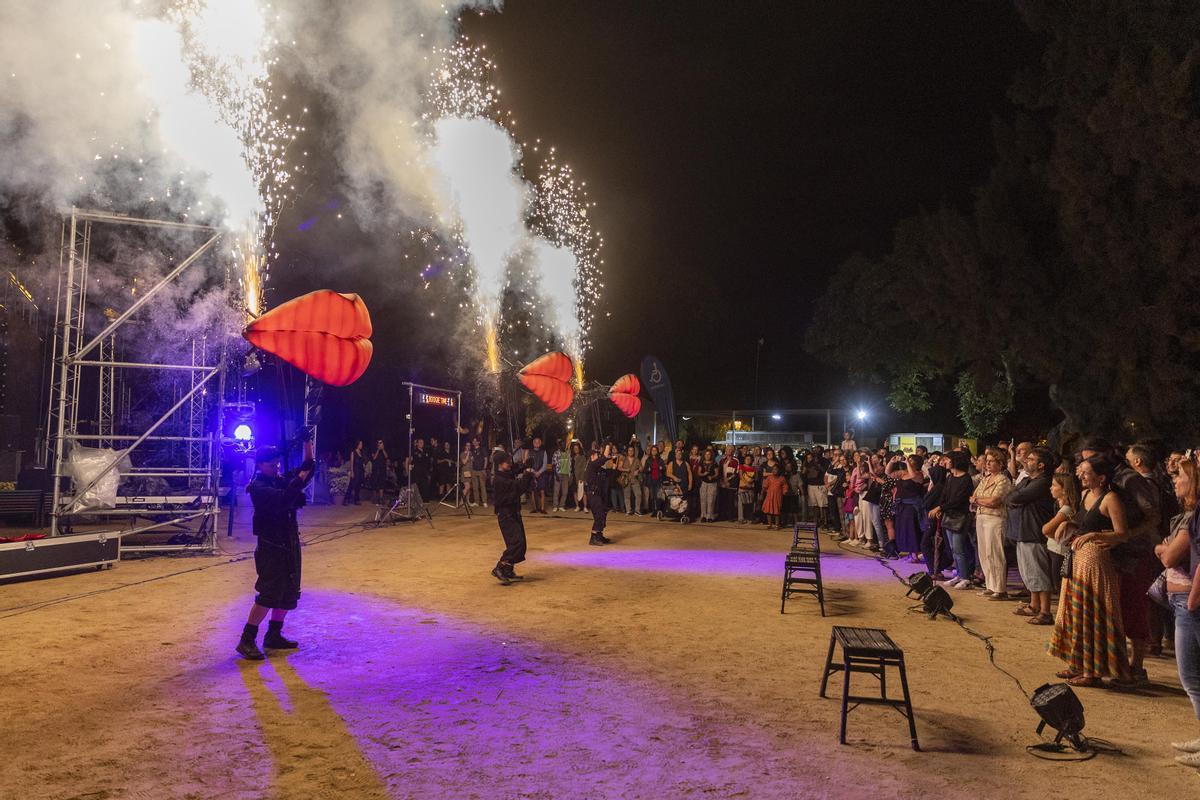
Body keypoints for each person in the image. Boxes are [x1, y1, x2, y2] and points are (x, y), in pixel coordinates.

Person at [1049, 456, 1131, 687]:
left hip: (1096, 565)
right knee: (1075, 612)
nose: (1080, 475)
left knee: (1092, 614)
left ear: (1101, 477)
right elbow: (1085, 525)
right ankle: (1077, 662)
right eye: (1081, 471)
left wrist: (1096, 535)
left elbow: (1122, 534)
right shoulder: (1085, 495)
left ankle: (1093, 670)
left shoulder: (1111, 499)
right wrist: (1070, 525)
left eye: (1086, 472)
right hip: (1078, 561)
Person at [236, 435, 316, 660]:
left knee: (289, 591)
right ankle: (247, 639)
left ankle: (273, 635)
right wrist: (298, 480)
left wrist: (306, 442)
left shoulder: (278, 480)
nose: (276, 467)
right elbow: (284, 499)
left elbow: (308, 468)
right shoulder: (259, 488)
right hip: (271, 546)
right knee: (269, 592)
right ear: (261, 465)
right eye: (271, 464)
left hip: (289, 542)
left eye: (277, 464)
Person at [1157, 460, 1200, 765]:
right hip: (1184, 602)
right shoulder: (1191, 514)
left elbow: (1173, 555)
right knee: (1192, 676)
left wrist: (1195, 599)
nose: (1174, 480)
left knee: (1191, 677)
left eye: (1180, 475)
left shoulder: (1195, 517)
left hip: (1190, 602)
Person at [1007, 447, 1058, 625]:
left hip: (1034, 531)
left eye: (1030, 459)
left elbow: (1016, 497)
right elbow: (1011, 495)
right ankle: (1034, 604)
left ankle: (1045, 611)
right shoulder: (1029, 480)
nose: (1026, 461)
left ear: (1041, 465)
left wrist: (1015, 500)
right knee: (1029, 572)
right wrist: (1014, 499)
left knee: (1038, 572)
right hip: (1023, 530)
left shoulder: (1043, 482)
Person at [929, 450, 976, 588]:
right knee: (952, 548)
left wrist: (940, 508)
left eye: (948, 460)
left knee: (959, 548)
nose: (946, 462)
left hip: (960, 516)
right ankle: (959, 575)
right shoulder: (950, 477)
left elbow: (958, 499)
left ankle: (965, 577)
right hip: (948, 515)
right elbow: (945, 494)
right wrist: (940, 507)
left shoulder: (966, 478)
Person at [971, 448, 1013, 599]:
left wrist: (977, 501)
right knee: (984, 552)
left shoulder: (1003, 480)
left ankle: (1000, 588)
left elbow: (995, 501)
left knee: (995, 552)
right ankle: (990, 585)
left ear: (1000, 463)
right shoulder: (985, 478)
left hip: (995, 519)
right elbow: (974, 496)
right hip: (981, 517)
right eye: (986, 461)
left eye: (991, 461)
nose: (987, 464)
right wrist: (979, 501)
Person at [490, 452, 536, 585]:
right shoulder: (499, 480)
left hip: (514, 512)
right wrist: (527, 472)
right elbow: (519, 487)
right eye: (507, 462)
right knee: (517, 542)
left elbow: (514, 470)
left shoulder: (505, 473)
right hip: (506, 514)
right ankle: (500, 567)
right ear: (499, 464)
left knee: (521, 545)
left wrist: (524, 465)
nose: (509, 463)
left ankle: (508, 570)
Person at [893, 455, 927, 559]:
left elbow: (913, 476)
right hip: (901, 504)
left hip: (912, 505)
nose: (909, 460)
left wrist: (907, 463)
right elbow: (887, 473)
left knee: (912, 529)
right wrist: (891, 462)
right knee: (903, 529)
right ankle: (909, 551)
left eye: (911, 460)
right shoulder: (903, 473)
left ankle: (915, 553)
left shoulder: (919, 474)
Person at [585, 448, 615, 545]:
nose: (598, 458)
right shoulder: (591, 466)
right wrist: (606, 447)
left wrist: (613, 467)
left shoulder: (597, 468)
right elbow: (602, 459)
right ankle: (593, 537)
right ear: (592, 457)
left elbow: (608, 474)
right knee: (599, 515)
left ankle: (599, 535)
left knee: (602, 515)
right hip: (593, 494)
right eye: (597, 456)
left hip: (599, 494)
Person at [527, 436, 549, 514]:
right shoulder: (529, 452)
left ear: (540, 443)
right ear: (533, 443)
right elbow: (528, 464)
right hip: (532, 474)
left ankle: (542, 508)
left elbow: (545, 464)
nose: (537, 443)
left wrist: (539, 472)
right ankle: (534, 508)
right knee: (532, 491)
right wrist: (533, 471)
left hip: (541, 474)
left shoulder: (544, 452)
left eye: (538, 442)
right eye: (535, 442)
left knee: (542, 491)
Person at [761, 464, 787, 529]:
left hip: (777, 497)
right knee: (768, 510)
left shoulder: (782, 478)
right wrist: (762, 494)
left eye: (776, 469)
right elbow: (765, 486)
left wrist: (785, 491)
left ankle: (777, 525)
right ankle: (769, 524)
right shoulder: (769, 477)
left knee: (776, 511)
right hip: (769, 496)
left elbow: (785, 486)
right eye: (773, 469)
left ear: (779, 470)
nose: (774, 470)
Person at [696, 449, 719, 522]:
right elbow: (699, 473)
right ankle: (703, 516)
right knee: (703, 500)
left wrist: (712, 477)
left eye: (709, 454)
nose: (707, 456)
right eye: (706, 454)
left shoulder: (714, 463)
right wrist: (704, 474)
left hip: (712, 483)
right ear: (704, 455)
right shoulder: (701, 463)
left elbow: (717, 473)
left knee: (711, 500)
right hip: (704, 483)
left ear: (711, 455)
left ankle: (710, 516)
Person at [619, 444, 643, 516]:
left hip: (635, 479)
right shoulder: (623, 459)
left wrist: (638, 470)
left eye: (632, 450)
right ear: (627, 451)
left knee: (638, 494)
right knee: (627, 496)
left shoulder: (637, 459)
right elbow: (619, 468)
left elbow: (641, 468)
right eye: (629, 450)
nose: (631, 452)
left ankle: (637, 510)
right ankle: (628, 510)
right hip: (626, 479)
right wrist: (626, 469)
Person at [643, 444, 666, 517]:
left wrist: (662, 468)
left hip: (658, 480)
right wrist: (648, 470)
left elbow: (664, 469)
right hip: (651, 480)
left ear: (657, 451)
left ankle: (659, 510)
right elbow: (644, 470)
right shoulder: (648, 460)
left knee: (658, 496)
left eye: (655, 450)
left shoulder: (660, 460)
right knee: (652, 496)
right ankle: (654, 511)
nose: (654, 451)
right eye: (652, 450)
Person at [552, 440, 573, 512]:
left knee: (565, 491)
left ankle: (561, 505)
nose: (564, 446)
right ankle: (555, 506)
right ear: (559, 445)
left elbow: (570, 463)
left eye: (565, 444)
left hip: (566, 474)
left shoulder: (568, 452)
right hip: (558, 473)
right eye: (562, 444)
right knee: (556, 491)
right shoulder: (556, 453)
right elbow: (554, 465)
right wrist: (556, 474)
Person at [343, 439, 365, 506]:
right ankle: (346, 500)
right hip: (355, 470)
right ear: (357, 444)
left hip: (360, 471)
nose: (361, 445)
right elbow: (352, 463)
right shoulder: (353, 452)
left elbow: (362, 461)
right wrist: (352, 472)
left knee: (358, 486)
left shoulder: (361, 452)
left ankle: (356, 500)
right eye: (360, 444)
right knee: (351, 485)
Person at [368, 439, 390, 505]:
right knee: (375, 484)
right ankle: (374, 498)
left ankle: (381, 498)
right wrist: (378, 449)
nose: (380, 444)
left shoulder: (384, 450)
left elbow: (386, 457)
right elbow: (374, 458)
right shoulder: (374, 449)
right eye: (379, 443)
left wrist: (382, 449)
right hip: (375, 469)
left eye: (381, 443)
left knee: (381, 484)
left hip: (382, 469)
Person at [470, 438, 488, 507]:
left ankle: (484, 502)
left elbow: (486, 459)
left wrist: (484, 468)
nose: (474, 442)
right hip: (474, 470)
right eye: (473, 441)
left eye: (475, 441)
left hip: (481, 470)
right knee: (475, 487)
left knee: (482, 486)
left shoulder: (482, 449)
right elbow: (472, 460)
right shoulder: (472, 450)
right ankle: (476, 502)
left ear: (478, 442)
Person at [572, 441, 589, 513]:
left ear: (579, 449)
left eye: (577, 448)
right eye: (574, 448)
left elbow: (584, 468)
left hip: (581, 477)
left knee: (584, 492)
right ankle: (577, 506)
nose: (576, 450)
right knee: (575, 492)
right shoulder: (572, 457)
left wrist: (582, 478)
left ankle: (585, 507)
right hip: (573, 477)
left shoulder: (582, 457)